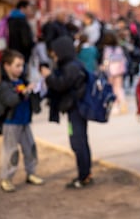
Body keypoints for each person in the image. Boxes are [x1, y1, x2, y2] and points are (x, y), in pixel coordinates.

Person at [40, 36, 93, 188]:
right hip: (75, 110)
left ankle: (84, 176)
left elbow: (61, 85)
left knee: (78, 142)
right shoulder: (72, 64)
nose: (54, 56)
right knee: (79, 141)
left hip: (76, 110)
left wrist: (48, 76)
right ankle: (85, 173)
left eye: (55, 53)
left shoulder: (71, 66)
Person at [0, 49, 44, 192]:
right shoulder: (4, 85)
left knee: (30, 148)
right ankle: (7, 178)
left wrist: (35, 93)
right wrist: (23, 93)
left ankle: (31, 173)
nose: (20, 69)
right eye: (17, 65)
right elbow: (10, 100)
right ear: (7, 66)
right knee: (11, 152)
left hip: (25, 121)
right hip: (11, 123)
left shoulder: (23, 81)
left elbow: (33, 100)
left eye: (22, 65)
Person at [7, 0, 35, 67]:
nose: (30, 10)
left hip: (11, 54)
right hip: (22, 55)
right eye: (29, 8)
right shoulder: (22, 21)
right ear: (22, 8)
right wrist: (33, 43)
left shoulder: (10, 19)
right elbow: (26, 42)